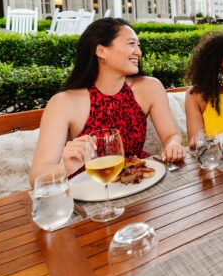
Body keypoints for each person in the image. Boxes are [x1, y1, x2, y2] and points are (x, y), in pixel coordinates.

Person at [30, 18, 184, 185]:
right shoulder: (64, 103)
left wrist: (173, 144)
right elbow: (36, 176)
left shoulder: (150, 88)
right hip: (90, 190)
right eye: (131, 44)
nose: (139, 52)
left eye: (138, 45)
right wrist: (65, 167)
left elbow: (171, 135)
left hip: (138, 182)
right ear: (101, 51)